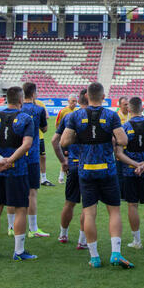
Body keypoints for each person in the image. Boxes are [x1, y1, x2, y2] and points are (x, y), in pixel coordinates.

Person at [61, 82, 134, 268]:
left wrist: (81, 136)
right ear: (103, 96)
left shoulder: (75, 115)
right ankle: (116, 253)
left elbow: (63, 142)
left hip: (86, 170)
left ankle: (94, 257)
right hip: (107, 170)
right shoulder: (110, 115)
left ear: (86, 97)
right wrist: (109, 137)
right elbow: (124, 140)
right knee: (114, 211)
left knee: (89, 213)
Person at [0, 86, 36, 259]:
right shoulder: (25, 118)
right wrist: (10, 161)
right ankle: (18, 251)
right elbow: (27, 144)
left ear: (6, 99)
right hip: (17, 170)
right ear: (21, 100)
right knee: (21, 208)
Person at [118, 97, 144, 249]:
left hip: (130, 172)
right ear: (142, 108)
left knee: (132, 205)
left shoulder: (123, 127)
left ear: (129, 109)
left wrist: (135, 164)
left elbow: (119, 153)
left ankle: (137, 241)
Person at [51, 89, 89, 249]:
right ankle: (82, 241)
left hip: (73, 164)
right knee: (88, 206)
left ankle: (63, 234)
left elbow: (54, 141)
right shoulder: (100, 116)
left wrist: (63, 161)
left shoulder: (69, 117)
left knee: (70, 202)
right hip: (90, 165)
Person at [20, 82, 50, 238]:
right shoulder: (38, 109)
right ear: (33, 94)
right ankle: (33, 228)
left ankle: (12, 226)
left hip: (16, 156)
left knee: (16, 192)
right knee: (32, 192)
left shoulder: (17, 109)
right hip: (31, 155)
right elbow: (45, 128)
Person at [54, 93, 79, 184]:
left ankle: (68, 176)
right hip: (65, 139)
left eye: (76, 101)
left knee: (73, 157)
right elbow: (57, 125)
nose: (74, 103)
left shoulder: (78, 111)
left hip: (74, 139)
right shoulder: (63, 111)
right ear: (68, 101)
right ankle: (61, 176)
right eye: (73, 101)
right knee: (66, 157)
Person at [37, 97, 55, 187]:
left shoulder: (40, 103)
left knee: (42, 156)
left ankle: (43, 178)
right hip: (26, 137)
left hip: (39, 136)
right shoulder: (23, 104)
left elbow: (47, 115)